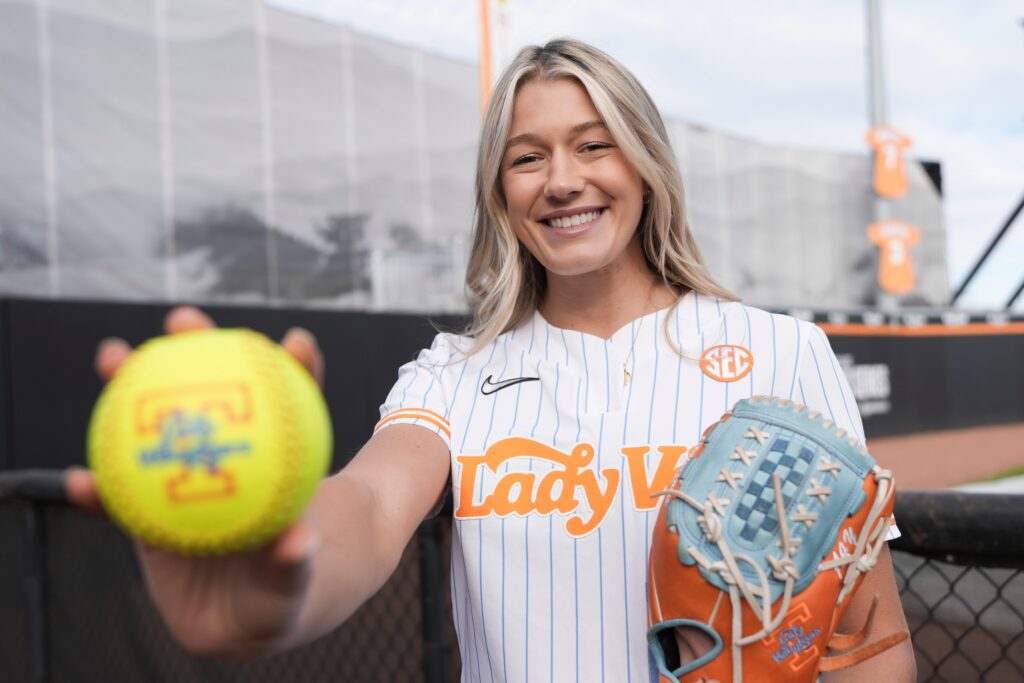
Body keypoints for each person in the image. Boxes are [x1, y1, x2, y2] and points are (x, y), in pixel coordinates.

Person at [68, 39, 915, 683]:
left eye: (594, 145)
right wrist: (276, 576)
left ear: (646, 165)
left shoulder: (780, 351)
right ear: (500, 193)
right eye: (527, 157)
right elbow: (366, 504)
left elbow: (870, 626)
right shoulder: (454, 373)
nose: (561, 180)